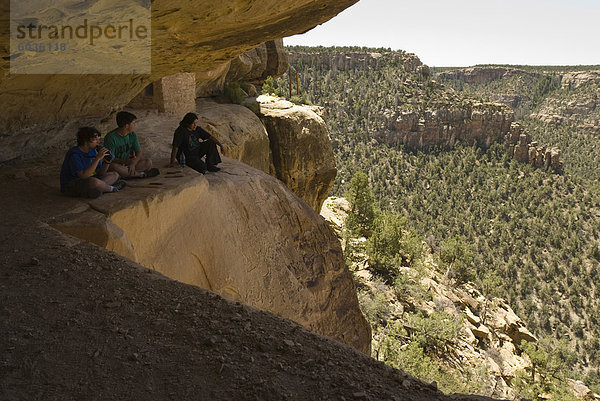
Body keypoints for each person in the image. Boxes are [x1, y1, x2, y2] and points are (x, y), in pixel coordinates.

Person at [60, 126, 126, 198]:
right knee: (94, 182)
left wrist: (107, 162)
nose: (98, 142)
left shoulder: (92, 151)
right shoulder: (75, 154)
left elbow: (100, 173)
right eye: (95, 140)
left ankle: (100, 189)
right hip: (73, 184)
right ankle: (111, 188)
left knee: (114, 175)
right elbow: (83, 176)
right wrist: (97, 159)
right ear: (85, 141)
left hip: (89, 180)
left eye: (98, 139)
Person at [104, 111, 159, 179]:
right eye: (133, 123)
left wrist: (133, 164)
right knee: (112, 166)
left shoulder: (132, 134)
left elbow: (138, 151)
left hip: (130, 164)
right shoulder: (111, 137)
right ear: (127, 126)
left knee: (148, 162)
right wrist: (124, 162)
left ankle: (127, 175)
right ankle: (141, 175)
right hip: (120, 164)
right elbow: (109, 158)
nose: (134, 125)